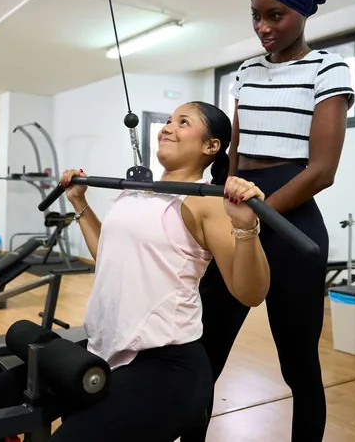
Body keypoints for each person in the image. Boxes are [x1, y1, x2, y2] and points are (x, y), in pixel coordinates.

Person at [180, 0, 354, 442]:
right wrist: (223, 208)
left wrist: (254, 217)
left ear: (304, 12)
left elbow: (322, 171)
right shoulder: (247, 72)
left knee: (298, 367)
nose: (263, 27)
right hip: (239, 208)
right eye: (256, 16)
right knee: (204, 356)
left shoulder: (329, 69)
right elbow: (237, 153)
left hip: (289, 219)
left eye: (276, 15)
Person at [46, 101, 272, 442]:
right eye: (167, 121)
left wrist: (246, 228)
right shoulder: (137, 192)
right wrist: (79, 201)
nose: (167, 128)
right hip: (106, 349)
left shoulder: (206, 202)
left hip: (167, 365)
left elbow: (251, 293)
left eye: (183, 122)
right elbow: (107, 255)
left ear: (211, 147)